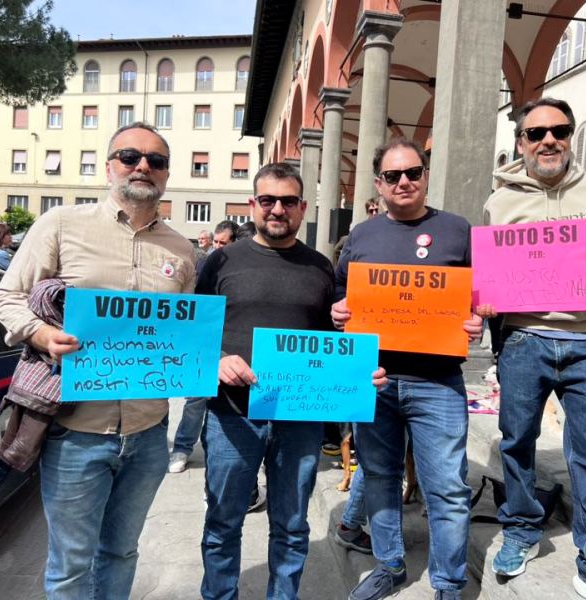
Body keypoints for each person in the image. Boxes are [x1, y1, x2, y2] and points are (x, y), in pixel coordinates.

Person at [0, 122, 195, 600]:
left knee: (121, 553)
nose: (142, 166)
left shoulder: (182, 249)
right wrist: (42, 334)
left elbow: (183, 332)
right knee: (70, 566)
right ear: (108, 167)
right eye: (130, 156)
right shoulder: (61, 224)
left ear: (166, 175)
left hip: (148, 433)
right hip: (76, 432)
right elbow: (7, 297)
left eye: (156, 161)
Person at [198, 162, 386, 600]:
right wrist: (218, 360)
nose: (277, 209)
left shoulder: (321, 267)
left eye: (287, 201)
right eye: (268, 200)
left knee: (292, 525)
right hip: (232, 416)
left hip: (299, 418)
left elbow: (333, 339)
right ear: (253, 204)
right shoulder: (221, 261)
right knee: (223, 522)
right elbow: (195, 333)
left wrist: (359, 373)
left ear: (302, 207)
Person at [482, 97, 586, 600]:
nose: (549, 140)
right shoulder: (499, 202)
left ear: (569, 137)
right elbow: (489, 273)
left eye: (560, 131)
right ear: (520, 142)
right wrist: (483, 301)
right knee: (516, 441)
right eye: (536, 133)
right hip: (523, 339)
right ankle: (522, 528)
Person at [332, 138, 484, 600]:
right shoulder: (361, 236)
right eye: (393, 175)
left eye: (413, 173)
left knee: (448, 489)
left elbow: (480, 296)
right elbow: (339, 293)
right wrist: (338, 313)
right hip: (374, 381)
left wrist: (477, 320)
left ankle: (449, 583)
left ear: (425, 176)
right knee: (380, 479)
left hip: (438, 382)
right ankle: (390, 565)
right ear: (378, 183)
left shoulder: (457, 230)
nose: (404, 182)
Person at [168, 219, 240, 474]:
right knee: (195, 398)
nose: (218, 247)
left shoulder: (242, 264)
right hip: (205, 342)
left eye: (223, 242)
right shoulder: (205, 264)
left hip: (232, 344)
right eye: (216, 242)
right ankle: (182, 448)